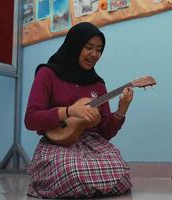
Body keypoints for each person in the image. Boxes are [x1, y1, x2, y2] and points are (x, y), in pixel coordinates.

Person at [24, 22, 134, 199]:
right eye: (88, 47)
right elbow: (31, 119)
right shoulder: (47, 73)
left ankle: (84, 185)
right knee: (71, 171)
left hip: (91, 143)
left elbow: (105, 132)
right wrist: (68, 112)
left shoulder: (98, 84)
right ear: (74, 45)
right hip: (58, 143)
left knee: (120, 172)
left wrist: (121, 110)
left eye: (99, 50)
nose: (94, 54)